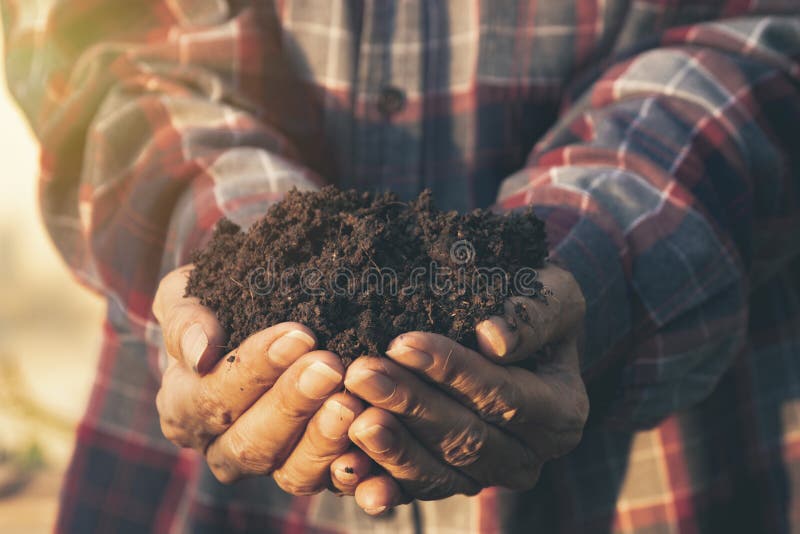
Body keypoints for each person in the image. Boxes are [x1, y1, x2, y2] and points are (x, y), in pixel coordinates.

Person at [2, 0, 799, 532]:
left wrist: (597, 249)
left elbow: (770, 27)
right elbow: (92, 43)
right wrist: (218, 243)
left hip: (666, 456)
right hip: (204, 486)